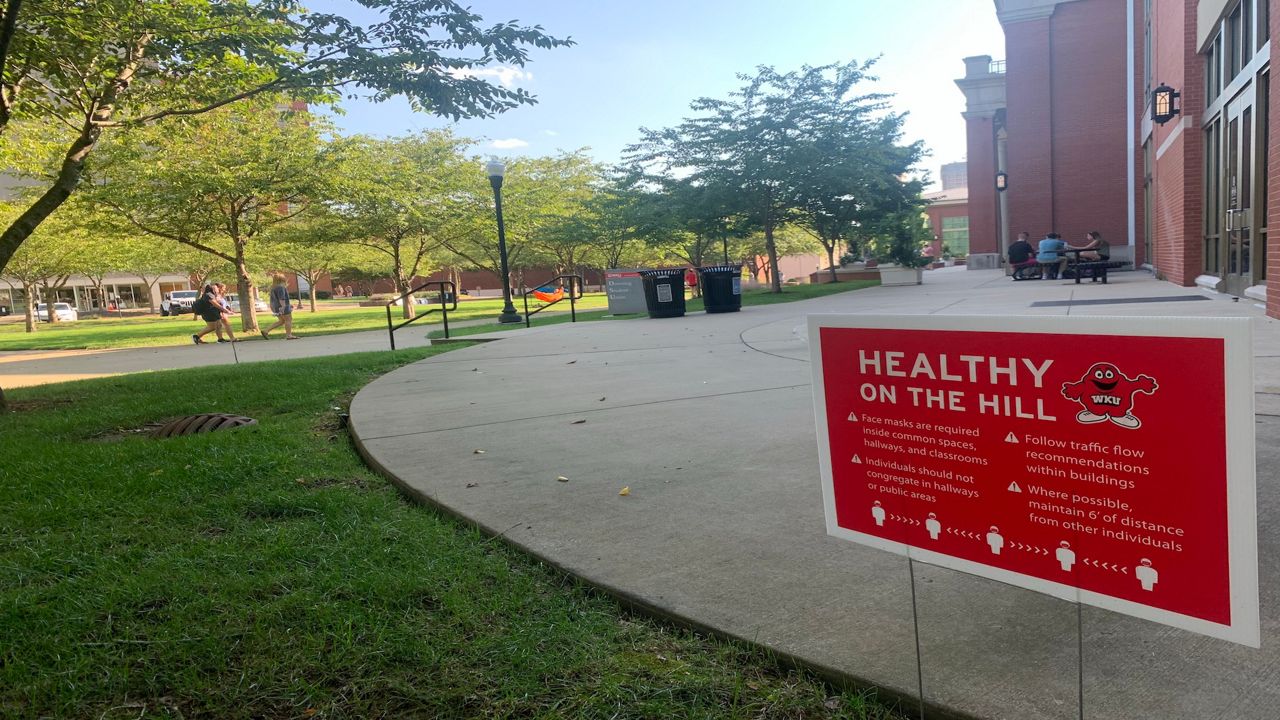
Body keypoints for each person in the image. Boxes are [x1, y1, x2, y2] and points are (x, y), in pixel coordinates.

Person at [261, 272, 298, 340]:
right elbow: (281, 298)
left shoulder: (273, 288)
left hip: (276, 307)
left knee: (281, 321)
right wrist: (284, 307)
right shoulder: (281, 288)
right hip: (283, 307)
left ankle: (266, 331)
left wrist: (272, 308)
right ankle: (289, 335)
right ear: (283, 279)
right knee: (288, 319)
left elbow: (272, 299)